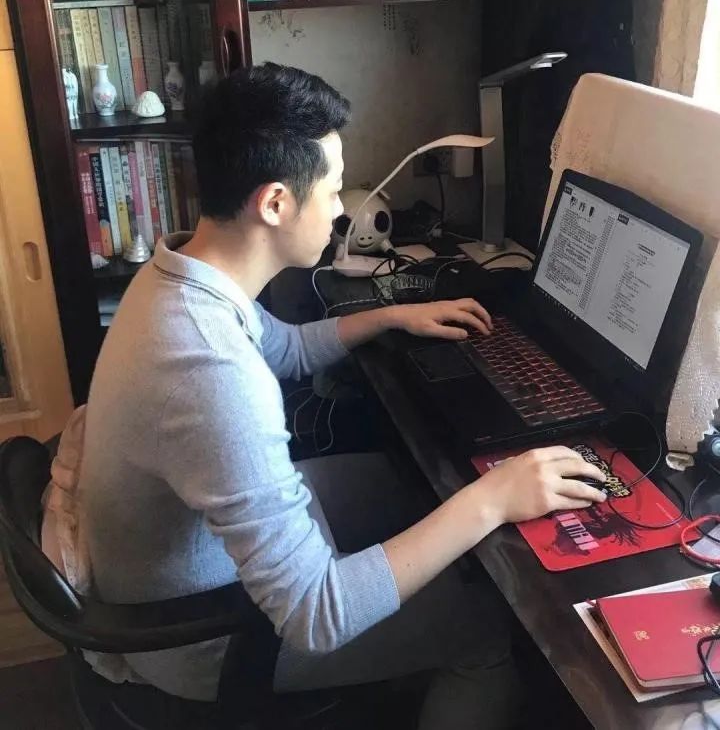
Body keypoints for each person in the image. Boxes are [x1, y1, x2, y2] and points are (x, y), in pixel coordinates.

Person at [78, 63, 606, 729]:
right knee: (487, 629)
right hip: (211, 634)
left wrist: (392, 316)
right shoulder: (210, 368)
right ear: (275, 203)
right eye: (331, 190)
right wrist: (493, 498)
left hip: (199, 558)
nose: (338, 210)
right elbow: (316, 614)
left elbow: (285, 348)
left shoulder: (178, 272)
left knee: (401, 485)